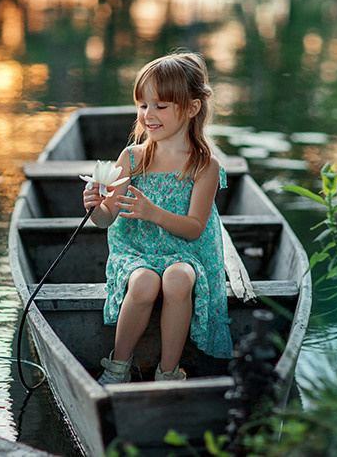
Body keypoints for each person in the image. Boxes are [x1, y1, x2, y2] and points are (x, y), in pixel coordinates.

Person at [82, 52, 233, 384]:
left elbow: (194, 229)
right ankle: (118, 366)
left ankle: (167, 371)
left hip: (186, 252)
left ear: (192, 108)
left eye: (161, 106)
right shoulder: (133, 159)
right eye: (142, 105)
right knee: (145, 281)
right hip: (137, 252)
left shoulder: (204, 166)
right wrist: (96, 208)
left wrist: (153, 213)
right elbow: (109, 218)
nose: (148, 115)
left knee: (178, 279)